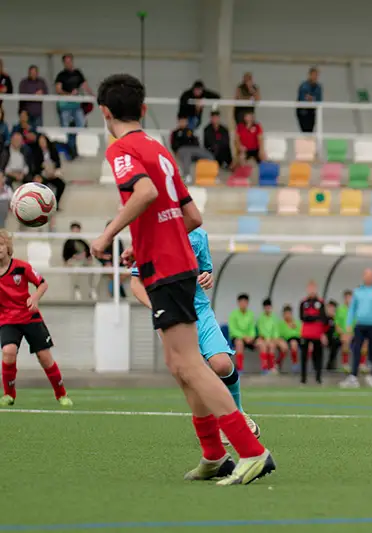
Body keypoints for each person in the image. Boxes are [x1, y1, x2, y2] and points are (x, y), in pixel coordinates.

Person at [91, 73, 273, 485]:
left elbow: (143, 194)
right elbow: (192, 217)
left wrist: (108, 234)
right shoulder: (159, 149)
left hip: (167, 269)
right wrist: (142, 242)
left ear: (105, 112)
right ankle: (214, 456)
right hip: (173, 264)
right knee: (179, 365)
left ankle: (251, 451)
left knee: (189, 364)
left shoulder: (121, 149)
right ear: (142, 108)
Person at [130, 228, 259, 445]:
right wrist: (160, 308)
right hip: (172, 316)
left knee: (222, 364)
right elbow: (136, 283)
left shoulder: (198, 235)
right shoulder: (152, 234)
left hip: (200, 311)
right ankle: (214, 446)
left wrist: (207, 277)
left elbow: (206, 272)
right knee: (192, 377)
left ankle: (238, 413)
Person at [0, 230, 72, 407]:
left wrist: (35, 298)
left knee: (44, 356)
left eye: (1, 245)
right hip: (8, 320)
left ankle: (61, 394)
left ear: (8, 247)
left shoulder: (21, 267)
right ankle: (9, 394)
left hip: (29, 317)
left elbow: (42, 283)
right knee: (8, 352)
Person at [54, 54, 92, 158]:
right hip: (65, 106)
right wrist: (69, 95)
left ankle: (72, 148)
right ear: (64, 63)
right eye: (66, 62)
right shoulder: (61, 75)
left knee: (81, 124)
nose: (68, 64)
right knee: (67, 129)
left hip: (76, 105)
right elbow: (58, 89)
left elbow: (85, 86)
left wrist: (92, 95)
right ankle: (71, 151)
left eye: (70, 61)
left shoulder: (77, 73)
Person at [299, 281, 326, 385]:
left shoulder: (320, 302)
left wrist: (311, 317)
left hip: (317, 333)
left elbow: (323, 317)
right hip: (306, 333)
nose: (311, 291)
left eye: (313, 288)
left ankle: (318, 378)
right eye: (310, 289)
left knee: (318, 356)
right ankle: (303, 379)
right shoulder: (303, 302)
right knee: (304, 356)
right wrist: (315, 317)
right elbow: (303, 317)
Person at [62, 222, 97, 301]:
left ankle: (92, 288)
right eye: (74, 230)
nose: (76, 232)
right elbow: (65, 256)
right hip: (74, 261)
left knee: (95, 267)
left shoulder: (82, 241)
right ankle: (76, 289)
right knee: (76, 268)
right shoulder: (68, 242)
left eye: (77, 230)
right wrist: (74, 257)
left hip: (84, 261)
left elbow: (89, 253)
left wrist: (87, 257)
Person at [228, 293, 256, 372]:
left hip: (249, 339)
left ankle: (267, 367)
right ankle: (240, 368)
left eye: (245, 302)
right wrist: (244, 337)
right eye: (241, 302)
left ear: (247, 303)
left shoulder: (250, 314)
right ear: (238, 303)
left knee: (261, 344)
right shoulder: (233, 314)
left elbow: (252, 328)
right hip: (237, 338)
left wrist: (252, 337)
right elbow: (233, 330)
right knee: (239, 343)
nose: (243, 304)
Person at [255, 298, 279, 374]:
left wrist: (273, 338)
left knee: (272, 345)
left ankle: (272, 367)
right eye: (266, 307)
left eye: (269, 307)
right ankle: (264, 367)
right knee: (263, 346)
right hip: (263, 338)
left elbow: (276, 330)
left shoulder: (274, 318)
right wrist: (266, 338)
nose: (267, 309)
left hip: (271, 339)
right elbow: (260, 329)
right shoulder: (260, 318)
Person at [296, 67, 322, 133]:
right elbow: (303, 99)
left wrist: (312, 98)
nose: (315, 77)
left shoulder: (318, 87)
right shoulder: (304, 86)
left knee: (310, 131)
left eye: (316, 75)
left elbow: (319, 100)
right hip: (303, 112)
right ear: (310, 75)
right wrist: (311, 99)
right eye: (313, 75)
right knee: (305, 130)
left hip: (312, 112)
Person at [277, 305, 301, 372]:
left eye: (289, 314)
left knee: (294, 343)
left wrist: (293, 327)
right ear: (283, 314)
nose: (287, 315)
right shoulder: (281, 324)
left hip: (297, 339)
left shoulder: (297, 322)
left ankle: (295, 364)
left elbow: (301, 332)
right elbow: (279, 334)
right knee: (285, 347)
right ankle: (278, 363)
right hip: (285, 340)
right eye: (286, 314)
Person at [335, 290, 353, 371]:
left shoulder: (355, 310)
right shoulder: (340, 309)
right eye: (347, 298)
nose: (348, 299)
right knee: (345, 340)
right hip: (343, 334)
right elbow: (337, 325)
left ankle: (362, 364)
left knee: (365, 341)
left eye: (350, 297)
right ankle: (345, 364)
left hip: (354, 334)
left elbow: (358, 324)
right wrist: (342, 333)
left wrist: (353, 333)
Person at [324, 300, 341, 370]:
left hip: (334, 338)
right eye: (330, 308)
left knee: (336, 341)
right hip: (324, 337)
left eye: (333, 308)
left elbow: (339, 329)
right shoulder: (323, 318)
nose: (331, 310)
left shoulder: (336, 318)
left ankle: (331, 364)